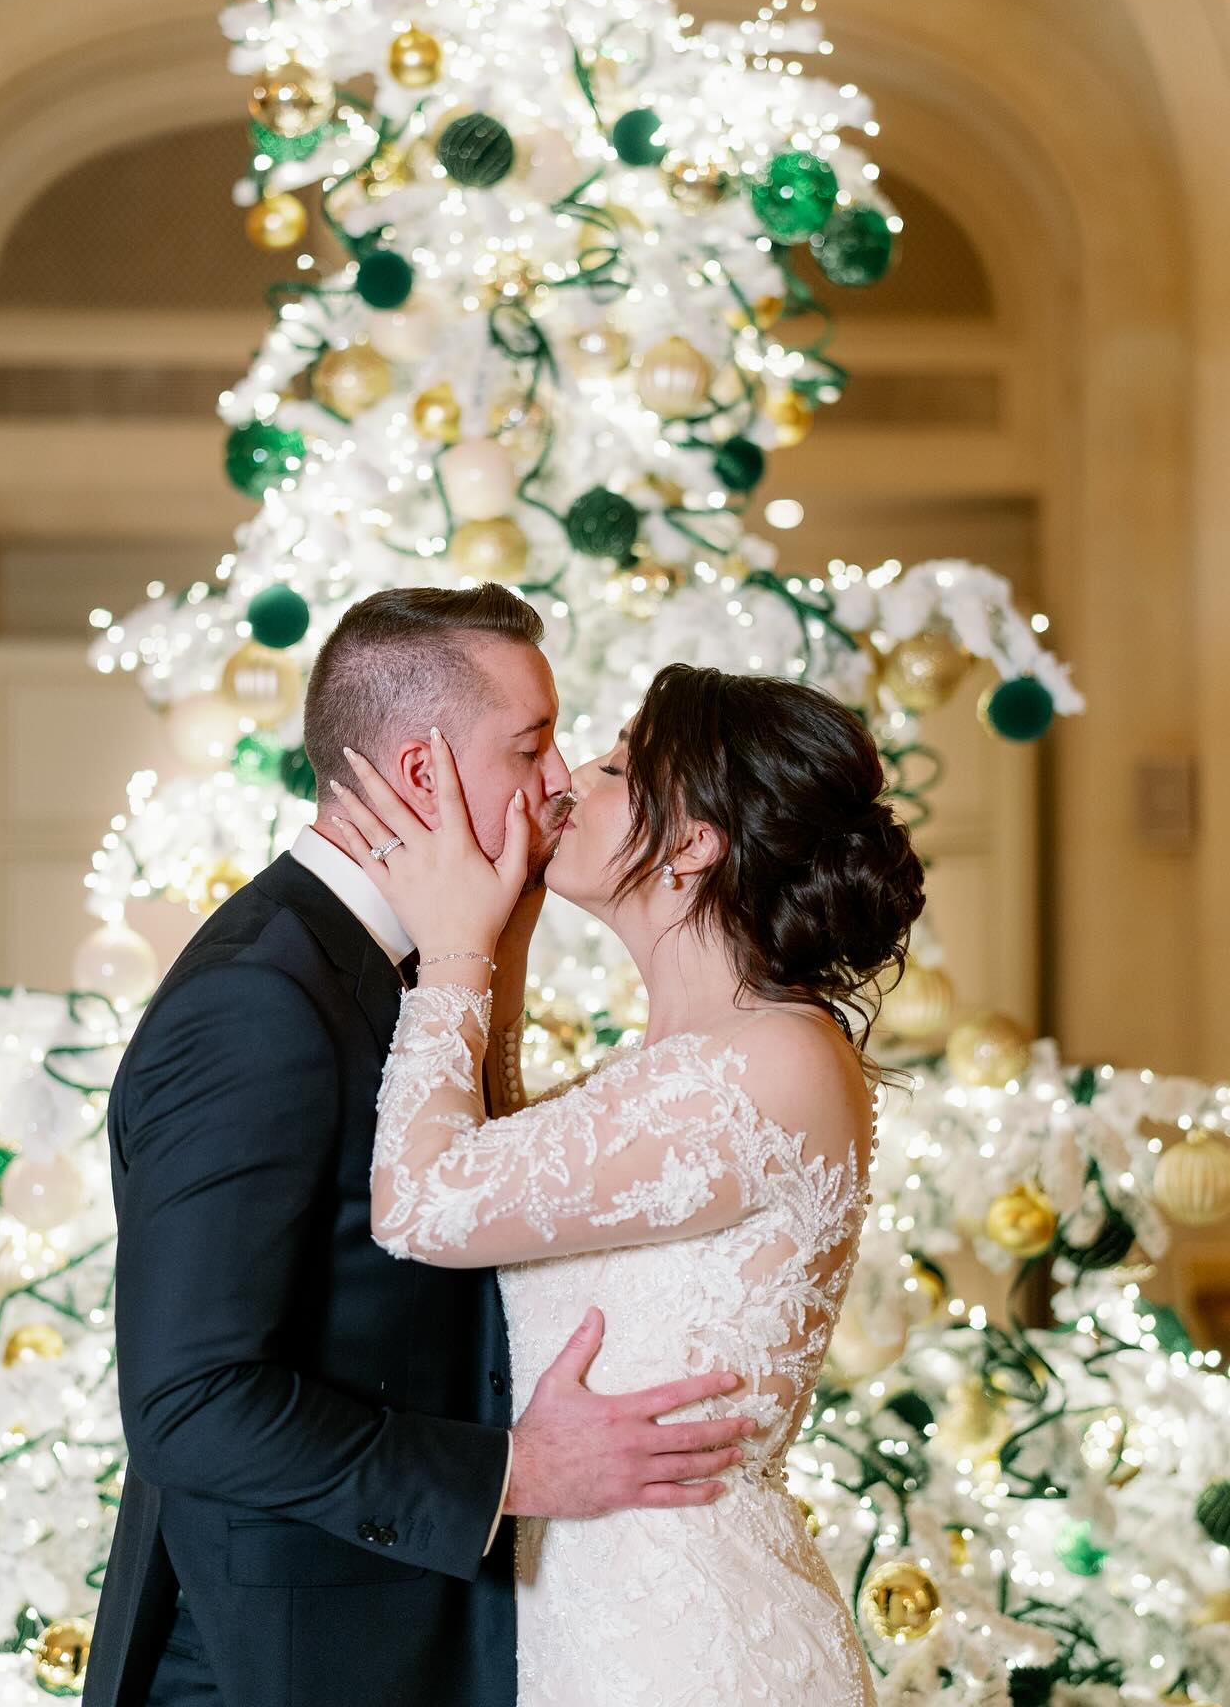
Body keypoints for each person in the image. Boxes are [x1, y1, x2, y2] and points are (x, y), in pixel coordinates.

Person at [84, 589, 755, 1707]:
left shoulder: (403, 956)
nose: (560, 785)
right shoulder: (262, 999)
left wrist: (490, 953)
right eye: (532, 747)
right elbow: (189, 1405)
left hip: (412, 1639)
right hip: (281, 1668)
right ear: (419, 774)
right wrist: (525, 1470)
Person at [330, 661, 927, 1706]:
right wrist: (501, 946)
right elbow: (507, 1176)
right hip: (590, 1624)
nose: (568, 782)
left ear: (692, 843)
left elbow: (423, 1204)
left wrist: (456, 956)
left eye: (613, 766)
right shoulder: (680, 1063)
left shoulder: (771, 1062)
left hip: (689, 1646)